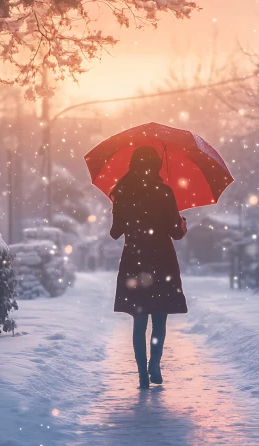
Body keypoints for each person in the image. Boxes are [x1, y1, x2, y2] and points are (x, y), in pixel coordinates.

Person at [109, 146, 188, 388]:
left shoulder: (123, 192)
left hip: (135, 260)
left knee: (139, 320)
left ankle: (142, 372)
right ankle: (155, 363)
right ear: (157, 166)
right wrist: (181, 221)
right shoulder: (164, 192)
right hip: (161, 260)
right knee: (159, 318)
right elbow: (176, 232)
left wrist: (124, 210)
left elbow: (115, 232)